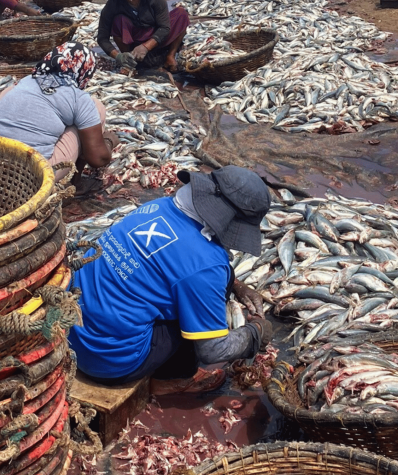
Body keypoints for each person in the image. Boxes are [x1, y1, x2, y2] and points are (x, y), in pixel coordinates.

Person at [68, 166, 274, 394]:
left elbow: (171, 260)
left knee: (214, 281)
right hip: (108, 360)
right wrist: (255, 334)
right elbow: (213, 350)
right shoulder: (206, 263)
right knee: (199, 318)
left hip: (69, 332)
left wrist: (236, 284)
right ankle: (174, 378)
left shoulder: (157, 206)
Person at [0, 41, 117, 193]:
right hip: (30, 175)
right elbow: (98, 159)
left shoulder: (22, 83)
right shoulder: (78, 98)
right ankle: (75, 183)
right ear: (84, 71)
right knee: (95, 107)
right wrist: (109, 141)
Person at [97, 0, 190, 72]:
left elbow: (164, 27)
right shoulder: (113, 3)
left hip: (155, 37)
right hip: (132, 41)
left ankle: (170, 56)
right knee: (119, 20)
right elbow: (102, 38)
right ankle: (129, 61)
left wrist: (146, 46)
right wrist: (118, 56)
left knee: (181, 14)